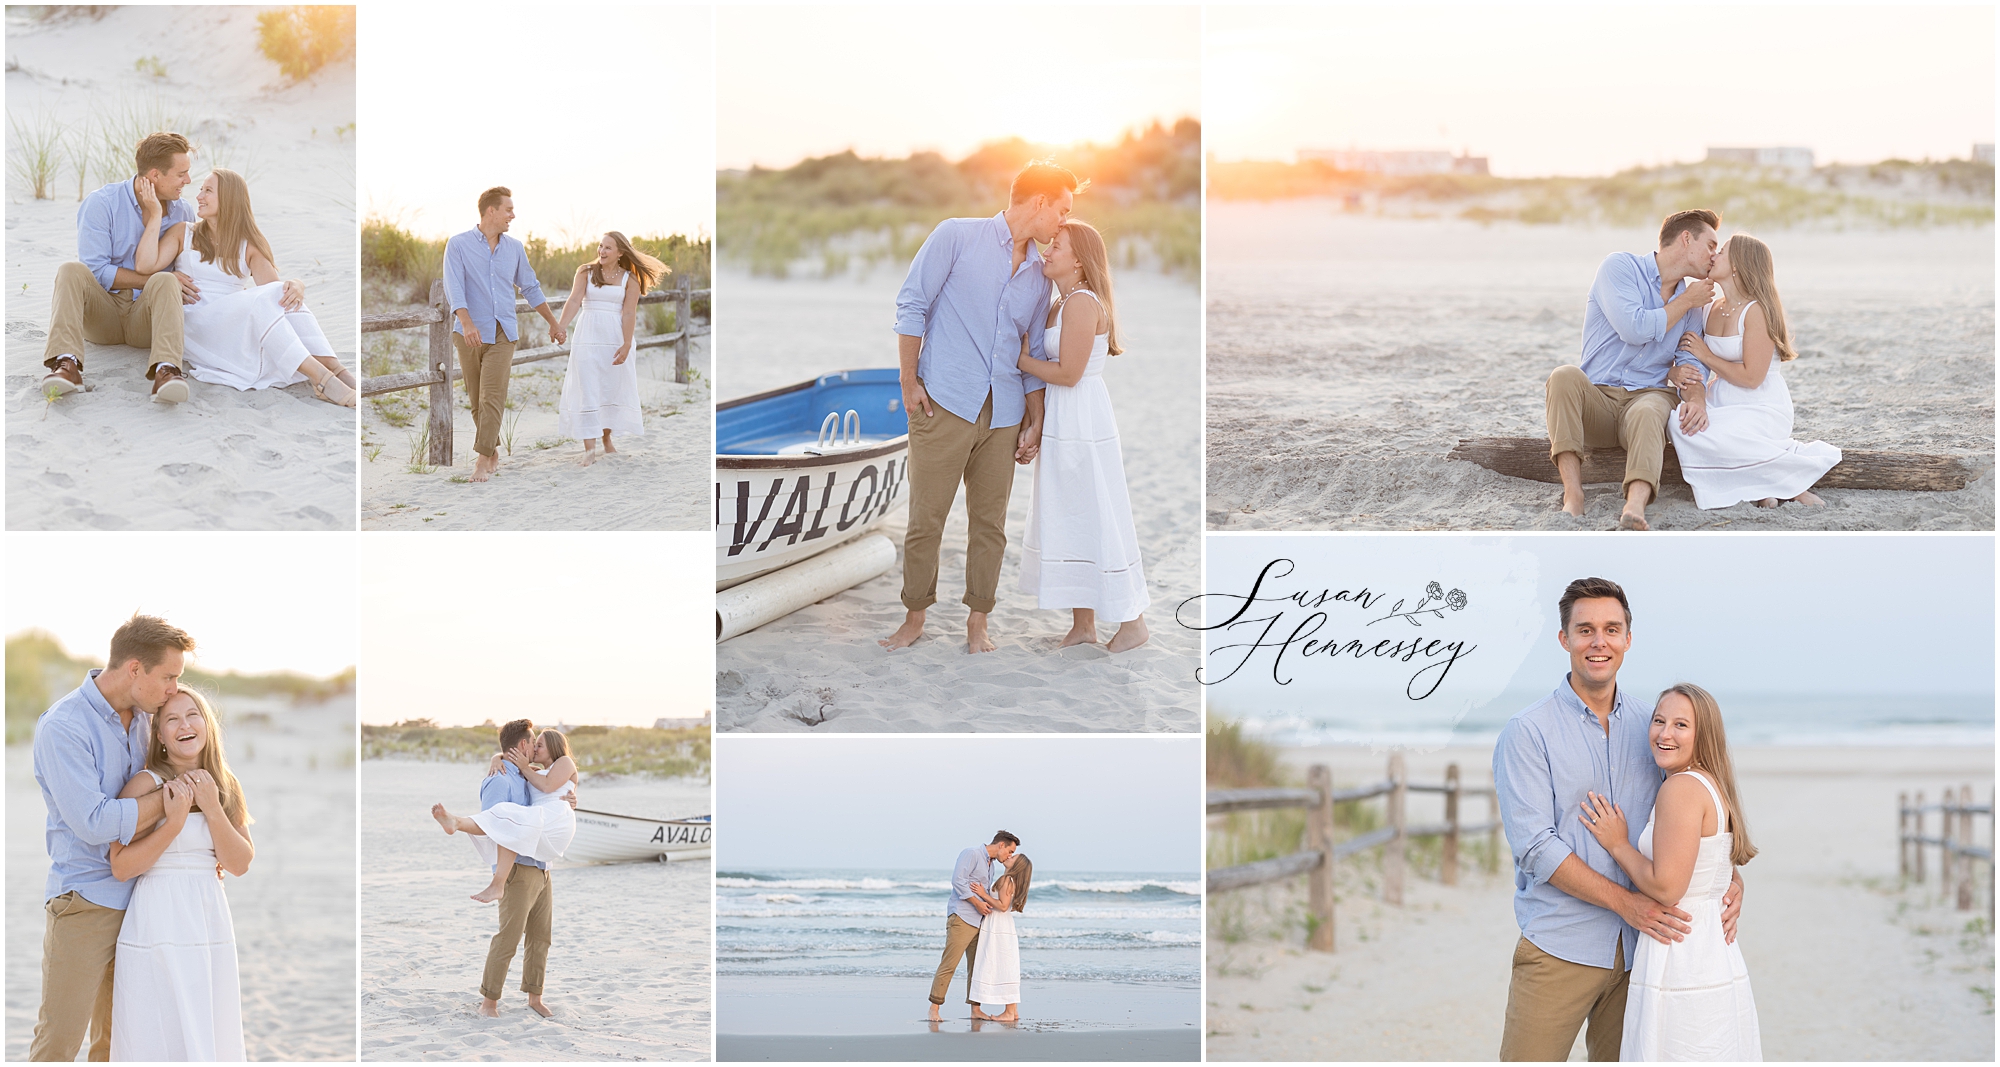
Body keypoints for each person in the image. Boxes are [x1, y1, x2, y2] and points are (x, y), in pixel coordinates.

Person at [1492, 577, 1744, 1061]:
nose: (1599, 642)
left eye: (1611, 629)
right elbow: (1535, 848)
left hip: (1644, 955)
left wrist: (1725, 878)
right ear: (1564, 639)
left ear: (1628, 639)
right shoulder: (1528, 732)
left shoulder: (1654, 728)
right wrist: (1627, 905)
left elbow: (1691, 816)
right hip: (1561, 947)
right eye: (1585, 630)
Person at [881, 161, 1079, 654]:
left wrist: (1036, 417)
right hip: (943, 402)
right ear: (1040, 202)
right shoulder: (956, 236)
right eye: (1062, 209)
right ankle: (914, 617)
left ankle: (978, 622)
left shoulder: (1039, 276)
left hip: (1004, 414)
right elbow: (912, 304)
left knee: (990, 526)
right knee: (926, 520)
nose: (1064, 221)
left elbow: (1031, 351)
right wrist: (909, 381)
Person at [29, 614, 196, 1061]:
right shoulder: (64, 726)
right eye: (169, 677)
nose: (174, 689)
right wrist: (170, 799)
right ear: (135, 669)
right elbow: (95, 823)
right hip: (86, 903)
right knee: (59, 1042)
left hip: (143, 900)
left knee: (117, 1045)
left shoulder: (146, 720)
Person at [1582, 684, 1762, 1061]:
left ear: (1703, 735)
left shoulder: (1680, 789)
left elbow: (1667, 888)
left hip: (1681, 953)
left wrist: (1618, 844)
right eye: (1659, 721)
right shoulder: (1710, 784)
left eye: (1681, 725)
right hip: (1712, 950)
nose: (1665, 734)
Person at [1015, 219, 1150, 652]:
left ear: (1078, 260)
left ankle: (1133, 622)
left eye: (1057, 246)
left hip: (1082, 420)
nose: (1047, 251)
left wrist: (1021, 360)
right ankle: (1084, 625)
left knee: (1096, 513)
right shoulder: (1060, 303)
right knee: (1071, 514)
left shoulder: (1081, 304)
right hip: (1064, 417)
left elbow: (1069, 374)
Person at [1545, 210, 1721, 530]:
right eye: (1710, 245)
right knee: (1563, 376)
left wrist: (1697, 400)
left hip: (1646, 399)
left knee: (1650, 407)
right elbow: (1634, 329)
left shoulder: (1694, 303)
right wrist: (1685, 302)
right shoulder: (1620, 267)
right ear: (1686, 239)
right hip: (1598, 399)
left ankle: (1635, 505)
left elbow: (1691, 364)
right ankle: (1574, 496)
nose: (1714, 255)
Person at [108, 689, 254, 1061]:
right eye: (171, 719)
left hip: (208, 919)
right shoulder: (145, 784)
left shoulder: (226, 784)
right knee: (156, 1031)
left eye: (192, 715)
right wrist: (172, 825)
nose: (184, 725)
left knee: (208, 1030)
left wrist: (211, 806)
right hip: (157, 917)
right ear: (159, 735)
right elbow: (121, 866)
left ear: (207, 724)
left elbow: (239, 863)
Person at [131, 168, 355, 405]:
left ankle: (334, 367)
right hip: (194, 321)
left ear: (229, 198)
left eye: (208, 191)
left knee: (283, 295)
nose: (199, 196)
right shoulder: (183, 233)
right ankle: (320, 377)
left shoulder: (248, 244)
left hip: (233, 325)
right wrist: (155, 215)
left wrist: (298, 285)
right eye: (201, 190)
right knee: (265, 298)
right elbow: (144, 265)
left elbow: (275, 293)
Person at [1668, 233, 1839, 509]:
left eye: (1721, 252)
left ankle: (1794, 487)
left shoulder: (1756, 311)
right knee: (1680, 423)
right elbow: (1684, 356)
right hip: (1721, 398)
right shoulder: (1709, 308)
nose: (1713, 256)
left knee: (1728, 434)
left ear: (1737, 265)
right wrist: (1674, 373)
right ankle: (1760, 488)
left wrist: (1707, 355)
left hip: (1760, 403)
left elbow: (1752, 378)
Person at [40, 132, 201, 404]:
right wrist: (152, 279)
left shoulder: (183, 212)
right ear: (155, 175)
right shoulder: (102, 203)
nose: (188, 180)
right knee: (70, 270)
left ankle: (167, 370)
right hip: (103, 316)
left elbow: (191, 269)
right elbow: (96, 271)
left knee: (166, 281)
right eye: (181, 174)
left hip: (148, 320)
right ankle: (67, 365)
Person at [443, 187, 566, 482]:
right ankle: (492, 450)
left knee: (492, 395)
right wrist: (467, 323)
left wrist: (553, 322)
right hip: (469, 331)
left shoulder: (514, 248)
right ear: (491, 211)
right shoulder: (458, 244)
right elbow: (454, 286)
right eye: (508, 209)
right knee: (477, 400)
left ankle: (482, 460)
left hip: (503, 332)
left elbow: (530, 287)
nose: (513, 215)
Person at [555, 232, 666, 465]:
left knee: (609, 389)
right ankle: (589, 450)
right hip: (587, 338)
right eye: (600, 246)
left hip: (615, 339)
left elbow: (629, 313)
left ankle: (606, 438)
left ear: (620, 253)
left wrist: (626, 344)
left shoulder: (630, 279)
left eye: (607, 248)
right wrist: (561, 326)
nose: (601, 251)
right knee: (588, 389)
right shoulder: (585, 272)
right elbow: (574, 300)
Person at [431, 729, 578, 903]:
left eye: (539, 745)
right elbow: (511, 758)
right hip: (542, 824)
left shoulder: (564, 762)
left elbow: (547, 786)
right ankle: (456, 823)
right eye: (534, 744)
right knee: (507, 819)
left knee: (510, 818)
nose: (535, 749)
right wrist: (496, 758)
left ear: (553, 747)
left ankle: (458, 824)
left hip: (556, 821)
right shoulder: (535, 771)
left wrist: (524, 767)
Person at [925, 831, 1019, 1022]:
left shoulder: (991, 865)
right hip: (962, 917)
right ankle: (934, 1008)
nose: (1009, 856)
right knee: (950, 963)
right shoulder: (972, 853)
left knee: (977, 968)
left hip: (980, 921)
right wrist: (977, 903)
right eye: (1010, 851)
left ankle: (975, 1010)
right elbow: (958, 880)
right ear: (1001, 845)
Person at [966, 853, 1032, 1022]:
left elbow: (1002, 906)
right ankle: (1012, 1010)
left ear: (1017, 865)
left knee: (1001, 964)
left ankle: (1009, 1012)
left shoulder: (1006, 880)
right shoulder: (1011, 880)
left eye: (1013, 857)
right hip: (1004, 925)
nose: (1009, 857)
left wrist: (983, 894)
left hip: (997, 925)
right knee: (1006, 964)